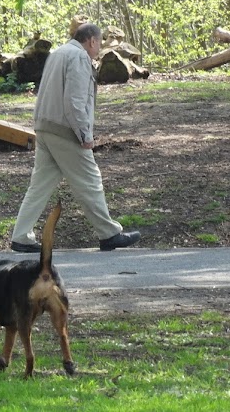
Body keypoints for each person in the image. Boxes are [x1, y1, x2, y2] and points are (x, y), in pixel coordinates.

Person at [10, 23, 141, 253]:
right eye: (99, 43)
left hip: (45, 126)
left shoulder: (58, 54)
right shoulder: (79, 58)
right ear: (91, 40)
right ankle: (109, 234)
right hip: (65, 129)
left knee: (39, 185)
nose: (99, 48)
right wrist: (84, 134)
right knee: (90, 180)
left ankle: (21, 236)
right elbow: (75, 100)